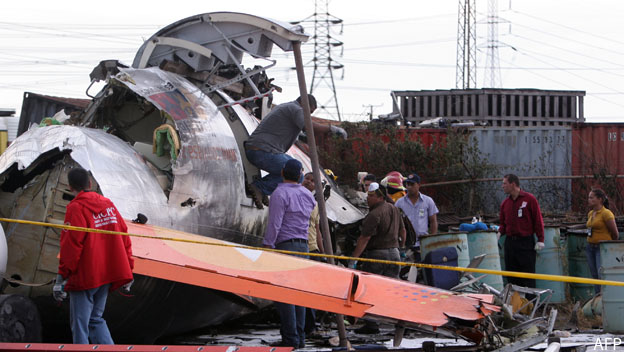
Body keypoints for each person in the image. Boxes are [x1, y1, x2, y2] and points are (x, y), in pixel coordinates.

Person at [53, 167, 134, 344]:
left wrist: (61, 278)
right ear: (90, 184)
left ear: (70, 187)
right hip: (106, 276)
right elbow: (124, 235)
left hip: (86, 276)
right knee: (95, 320)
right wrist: (129, 266)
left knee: (80, 325)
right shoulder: (108, 205)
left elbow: (71, 246)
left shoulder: (75, 208)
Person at [245, 95, 347, 208]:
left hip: (263, 150)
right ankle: (260, 188)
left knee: (298, 169)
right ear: (304, 104)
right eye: (310, 111)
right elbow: (309, 126)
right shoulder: (295, 109)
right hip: (262, 151)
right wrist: (330, 128)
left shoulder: (289, 107)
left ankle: (264, 189)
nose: (310, 115)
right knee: (296, 174)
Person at [262, 159, 316, 348]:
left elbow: (275, 223)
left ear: (283, 172)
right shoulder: (308, 195)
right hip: (304, 248)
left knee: (285, 296)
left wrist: (268, 245)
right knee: (299, 295)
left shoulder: (279, 193)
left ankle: (290, 339)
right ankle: (299, 338)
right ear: (300, 175)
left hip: (286, 247)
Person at [349, 182, 406, 334]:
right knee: (393, 291)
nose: (368, 199)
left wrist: (354, 259)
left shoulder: (374, 214)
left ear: (380, 197)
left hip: (377, 256)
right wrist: (401, 249)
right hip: (394, 254)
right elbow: (403, 231)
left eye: (371, 196)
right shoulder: (394, 209)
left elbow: (364, 238)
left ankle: (372, 325)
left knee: (371, 291)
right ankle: (400, 323)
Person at [499, 174, 544, 288]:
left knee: (527, 276)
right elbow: (503, 224)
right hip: (510, 243)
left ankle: (530, 304)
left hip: (525, 243)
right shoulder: (505, 204)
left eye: (505, 183)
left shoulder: (529, 200)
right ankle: (514, 304)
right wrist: (499, 233)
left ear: (513, 184)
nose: (502, 186)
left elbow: (537, 220)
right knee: (512, 277)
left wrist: (540, 239)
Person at [301, 172, 325, 335]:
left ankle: (311, 324)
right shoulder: (296, 197)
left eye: (312, 181)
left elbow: (317, 231)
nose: (308, 182)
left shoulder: (316, 205)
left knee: (312, 291)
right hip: (300, 247)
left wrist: (324, 253)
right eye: (306, 179)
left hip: (312, 248)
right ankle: (307, 325)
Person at [395, 173, 438, 253]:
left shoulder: (428, 201)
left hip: (423, 243)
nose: (409, 187)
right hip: (405, 244)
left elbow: (433, 221)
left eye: (412, 184)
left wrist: (432, 239)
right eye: (407, 184)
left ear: (418, 185)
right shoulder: (399, 203)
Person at [586, 188, 619, 294]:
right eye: (589, 197)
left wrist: (608, 245)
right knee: (594, 275)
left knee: (602, 275)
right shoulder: (591, 213)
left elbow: (615, 234)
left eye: (592, 197)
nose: (589, 200)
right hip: (590, 247)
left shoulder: (606, 214)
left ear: (600, 199)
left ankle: (605, 297)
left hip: (601, 248)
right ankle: (597, 297)